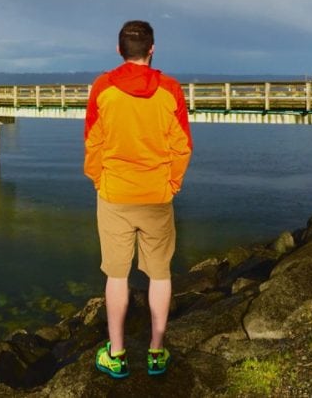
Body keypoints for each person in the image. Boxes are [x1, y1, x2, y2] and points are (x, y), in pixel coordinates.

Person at [84, 20, 193, 379]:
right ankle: (156, 352)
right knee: (159, 274)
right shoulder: (170, 90)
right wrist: (171, 184)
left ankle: (116, 354)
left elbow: (93, 142)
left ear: (119, 50)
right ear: (152, 49)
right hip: (156, 196)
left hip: (115, 193)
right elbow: (182, 146)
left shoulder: (103, 88)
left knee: (117, 275)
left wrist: (99, 178)